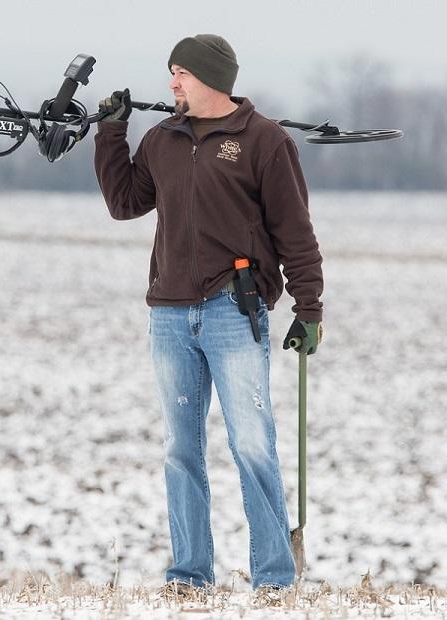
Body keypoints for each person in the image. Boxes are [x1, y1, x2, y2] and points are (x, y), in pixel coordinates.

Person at [93, 34, 323, 595]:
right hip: (169, 314)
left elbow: (296, 234)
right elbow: (124, 203)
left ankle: (273, 580)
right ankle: (188, 577)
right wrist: (111, 132)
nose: (172, 83)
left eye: (182, 74)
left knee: (251, 444)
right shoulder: (162, 139)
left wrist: (308, 307)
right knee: (180, 450)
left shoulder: (264, 142)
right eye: (171, 73)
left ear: (213, 80)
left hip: (232, 312)